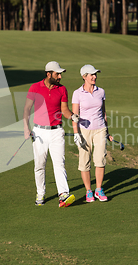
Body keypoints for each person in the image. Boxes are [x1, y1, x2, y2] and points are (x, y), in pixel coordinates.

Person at [24, 61, 79, 207]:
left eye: (60, 74)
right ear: (48, 74)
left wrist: (73, 116)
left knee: (59, 164)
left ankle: (63, 195)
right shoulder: (35, 87)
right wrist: (26, 127)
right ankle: (40, 193)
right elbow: (27, 109)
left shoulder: (62, 89)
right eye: (57, 74)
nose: (60, 76)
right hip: (39, 132)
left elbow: (65, 110)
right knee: (39, 165)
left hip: (57, 131)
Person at [72, 64, 113, 202]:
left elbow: (103, 112)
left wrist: (107, 131)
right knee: (85, 161)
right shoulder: (77, 93)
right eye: (91, 75)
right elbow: (75, 115)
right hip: (84, 131)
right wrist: (76, 133)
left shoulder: (101, 91)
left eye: (95, 74)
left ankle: (99, 189)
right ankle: (88, 191)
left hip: (100, 129)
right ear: (84, 77)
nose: (94, 77)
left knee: (100, 159)